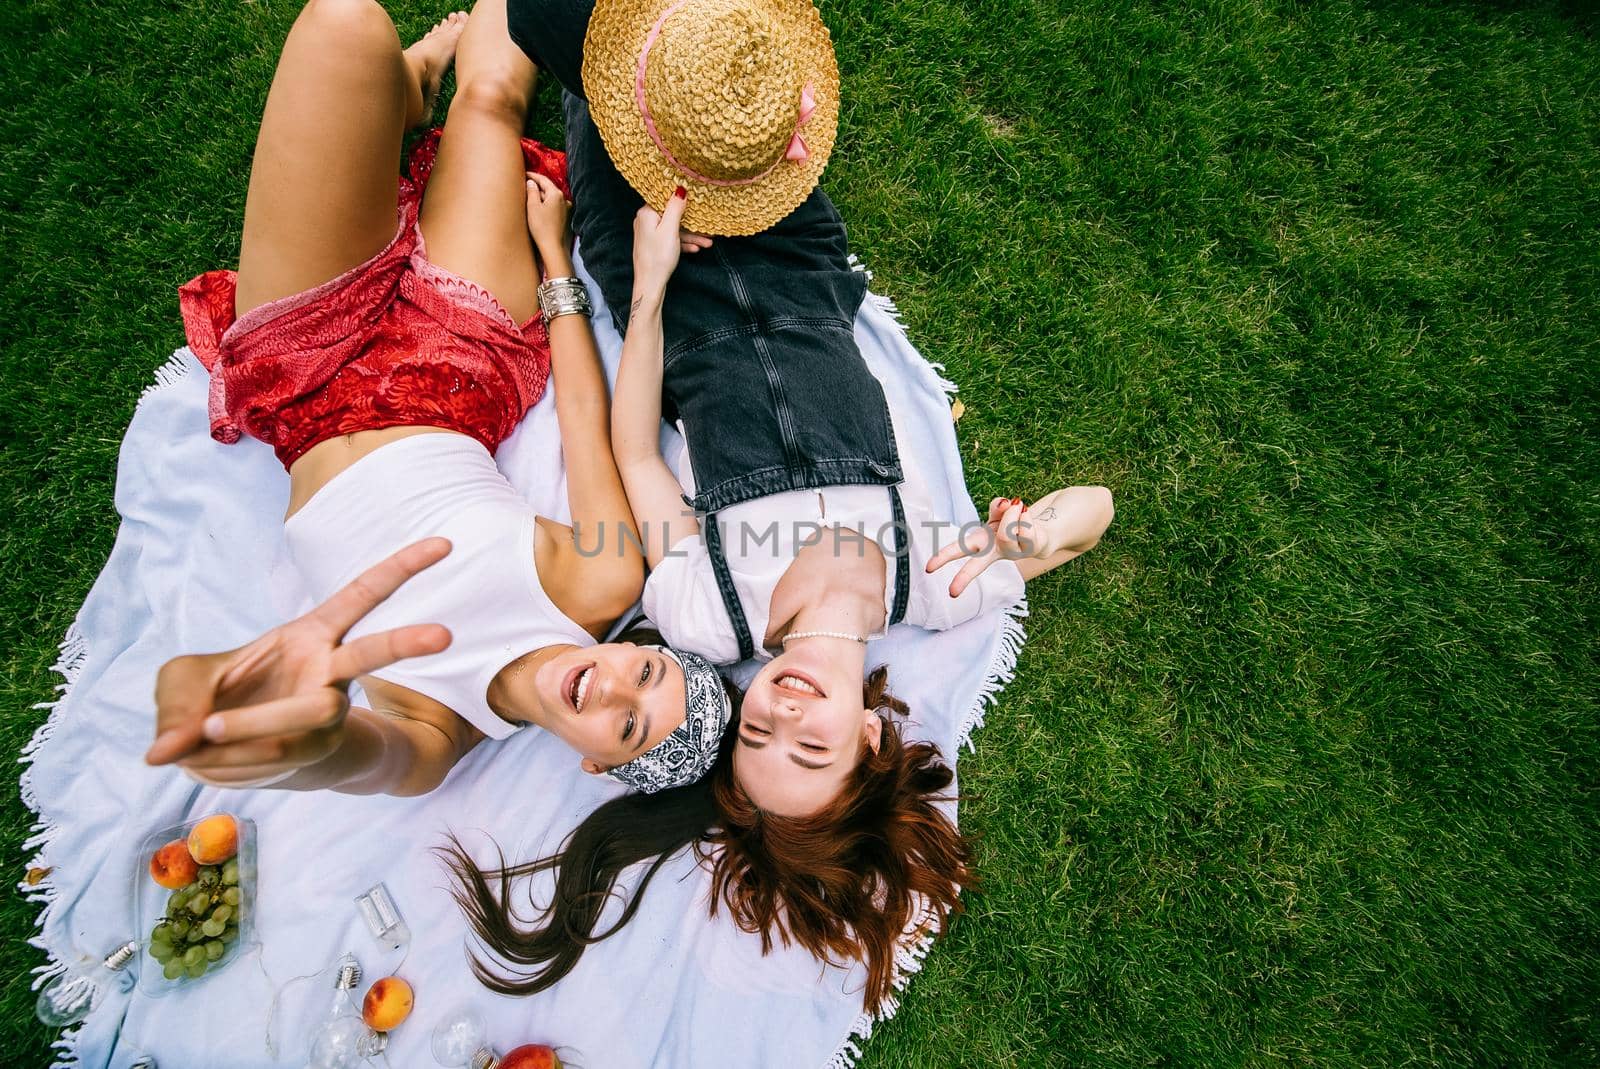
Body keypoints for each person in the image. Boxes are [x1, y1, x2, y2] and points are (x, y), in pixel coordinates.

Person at [444, 0, 1115, 1013]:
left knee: (577, 38)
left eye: (759, 739)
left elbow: (634, 447)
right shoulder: (935, 589)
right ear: (873, 738)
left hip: (657, 268)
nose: (784, 712)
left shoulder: (710, 614)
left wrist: (657, 280)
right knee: (709, 60)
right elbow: (1095, 509)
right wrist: (1025, 535)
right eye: (813, 744)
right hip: (795, 255)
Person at [143, 0, 734, 797]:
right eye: (647, 669)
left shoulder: (434, 730)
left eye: (627, 722)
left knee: (342, 24)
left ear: (596, 763)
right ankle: (416, 85)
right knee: (487, 99)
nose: (614, 683)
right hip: (455, 360)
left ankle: (400, 88)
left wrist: (303, 742)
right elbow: (582, 422)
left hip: (300, 376)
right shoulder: (603, 584)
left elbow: (364, 758)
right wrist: (555, 261)